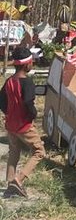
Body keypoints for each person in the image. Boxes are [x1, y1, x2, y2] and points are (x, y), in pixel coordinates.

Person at [0, 46, 46, 198]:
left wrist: (9, 113)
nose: (32, 63)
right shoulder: (28, 83)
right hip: (24, 125)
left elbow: (2, 102)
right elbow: (28, 103)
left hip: (11, 124)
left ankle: (9, 183)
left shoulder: (8, 81)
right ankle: (18, 180)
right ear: (27, 65)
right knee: (39, 152)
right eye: (31, 61)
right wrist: (32, 115)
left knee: (14, 151)